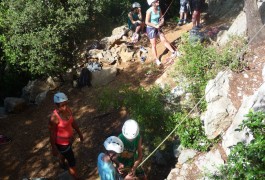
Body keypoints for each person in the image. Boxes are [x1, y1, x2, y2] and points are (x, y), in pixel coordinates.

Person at [49, 92, 84, 180]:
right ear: (56, 105)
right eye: (62, 105)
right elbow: (52, 134)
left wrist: (79, 133)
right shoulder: (54, 118)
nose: (64, 107)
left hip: (69, 140)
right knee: (72, 161)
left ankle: (61, 161)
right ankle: (75, 177)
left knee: (66, 154)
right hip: (62, 144)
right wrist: (53, 147)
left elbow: (72, 122)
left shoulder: (68, 110)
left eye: (65, 104)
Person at [145, 0, 179, 66]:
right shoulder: (149, 11)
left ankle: (173, 52)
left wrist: (162, 21)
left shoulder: (159, 8)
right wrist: (155, 25)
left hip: (158, 27)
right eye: (156, 1)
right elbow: (146, 22)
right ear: (152, 3)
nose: (158, 1)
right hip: (151, 29)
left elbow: (161, 17)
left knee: (164, 40)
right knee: (154, 44)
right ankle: (156, 59)